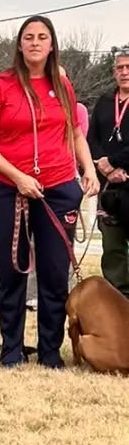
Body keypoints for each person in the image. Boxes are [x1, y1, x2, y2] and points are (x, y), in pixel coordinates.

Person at [0, 15, 99, 369]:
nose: (35, 43)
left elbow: (75, 133)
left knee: (55, 273)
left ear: (52, 44)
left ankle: (49, 351)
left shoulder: (62, 85)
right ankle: (11, 349)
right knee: (12, 273)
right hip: (8, 189)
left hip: (57, 187)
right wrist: (17, 177)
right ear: (19, 44)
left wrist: (88, 169)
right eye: (28, 37)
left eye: (42, 37)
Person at [87, 47, 129, 297]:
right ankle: (119, 301)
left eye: (128, 68)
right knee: (112, 249)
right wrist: (104, 166)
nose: (124, 72)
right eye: (120, 68)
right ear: (114, 72)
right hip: (109, 189)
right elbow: (91, 139)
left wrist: (113, 162)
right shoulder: (104, 103)